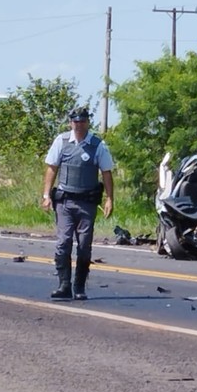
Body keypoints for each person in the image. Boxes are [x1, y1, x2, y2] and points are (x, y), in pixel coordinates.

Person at [41, 106, 114, 300]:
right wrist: (46, 195)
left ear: (87, 122)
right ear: (70, 123)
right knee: (63, 242)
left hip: (86, 204)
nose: (78, 125)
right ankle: (64, 285)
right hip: (65, 202)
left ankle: (79, 287)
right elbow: (52, 168)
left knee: (84, 245)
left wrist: (109, 198)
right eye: (75, 121)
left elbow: (106, 173)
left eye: (82, 121)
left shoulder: (98, 145)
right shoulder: (62, 141)